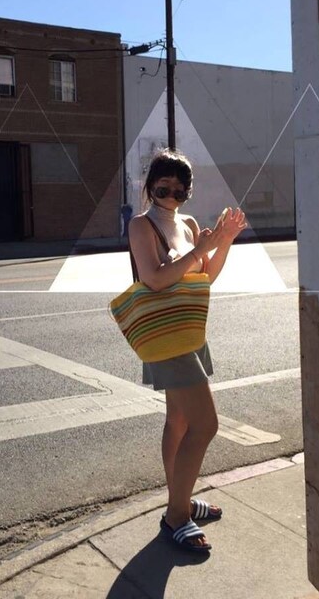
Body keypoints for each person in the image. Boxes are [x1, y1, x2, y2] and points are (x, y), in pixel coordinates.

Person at [128, 149, 247, 553]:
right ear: (150, 186)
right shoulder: (142, 226)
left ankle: (180, 497)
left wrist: (224, 241)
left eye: (179, 190)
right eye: (163, 187)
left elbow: (205, 276)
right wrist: (200, 250)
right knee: (206, 425)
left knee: (179, 420)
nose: (171, 195)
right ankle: (176, 515)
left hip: (190, 331)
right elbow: (154, 279)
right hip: (166, 337)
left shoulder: (190, 224)